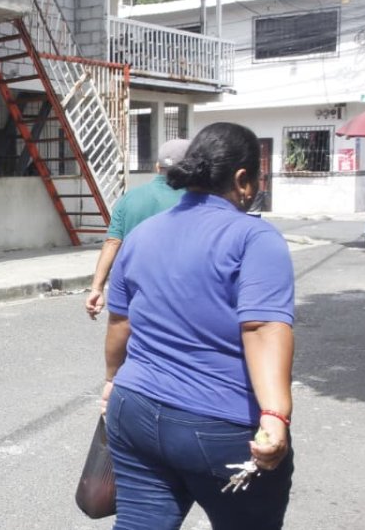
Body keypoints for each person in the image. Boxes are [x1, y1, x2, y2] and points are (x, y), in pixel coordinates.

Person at [101, 122, 295, 530]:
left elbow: (120, 321)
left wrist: (111, 380)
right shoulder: (255, 238)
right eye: (256, 178)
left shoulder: (142, 235)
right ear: (243, 179)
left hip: (132, 409)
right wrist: (275, 414)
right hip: (218, 425)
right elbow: (261, 328)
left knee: (140, 524)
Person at [85, 138, 190, 320]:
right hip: (178, 298)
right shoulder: (196, 202)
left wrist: (97, 288)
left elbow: (112, 243)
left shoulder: (129, 198)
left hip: (133, 293)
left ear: (158, 167)